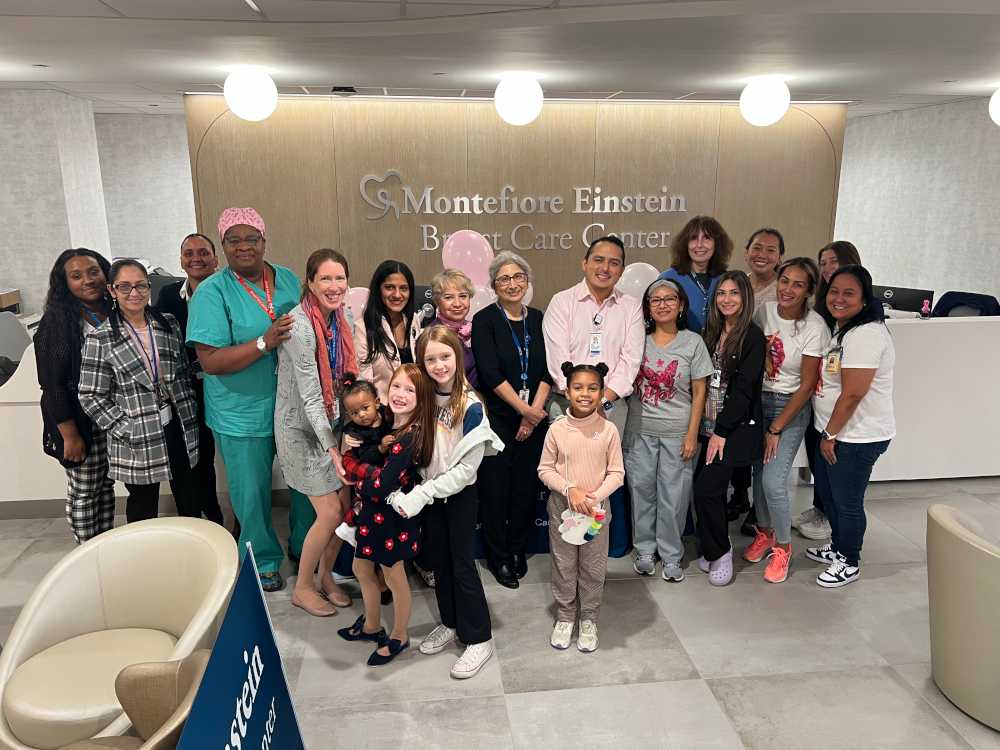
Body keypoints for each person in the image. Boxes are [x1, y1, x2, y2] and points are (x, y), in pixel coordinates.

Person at [186, 207, 314, 592]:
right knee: (252, 493)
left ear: (264, 240)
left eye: (251, 238)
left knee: (306, 487)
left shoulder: (288, 279)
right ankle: (263, 560)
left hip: (293, 406)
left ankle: (305, 547)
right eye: (233, 240)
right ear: (223, 246)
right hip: (242, 411)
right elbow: (210, 360)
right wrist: (264, 342)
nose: (243, 246)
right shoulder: (212, 292)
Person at [391, 326, 503, 680]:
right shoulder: (424, 398)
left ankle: (479, 637)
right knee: (438, 563)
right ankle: (452, 622)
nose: (439, 365)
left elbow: (466, 472)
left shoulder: (471, 407)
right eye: (430, 359)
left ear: (458, 356)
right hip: (430, 494)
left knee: (461, 563)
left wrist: (423, 494)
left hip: (456, 496)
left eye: (445, 356)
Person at [78, 259, 200, 523]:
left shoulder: (167, 324)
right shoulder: (100, 338)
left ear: (149, 288)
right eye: (125, 287)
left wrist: (188, 404)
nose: (134, 293)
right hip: (136, 430)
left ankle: (193, 553)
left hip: (176, 422)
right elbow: (90, 395)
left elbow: (181, 372)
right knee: (143, 505)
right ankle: (142, 557)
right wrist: (125, 426)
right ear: (111, 290)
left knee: (188, 494)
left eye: (141, 286)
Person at [274, 248, 358, 616]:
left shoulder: (342, 318)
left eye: (340, 278)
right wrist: (333, 450)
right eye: (325, 278)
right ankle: (303, 587)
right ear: (309, 282)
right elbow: (310, 397)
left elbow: (347, 376)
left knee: (342, 508)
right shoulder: (299, 327)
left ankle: (327, 578)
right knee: (328, 514)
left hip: (333, 424)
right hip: (301, 432)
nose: (334, 285)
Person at [337, 364, 436, 666]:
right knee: (362, 569)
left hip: (392, 518)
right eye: (397, 387)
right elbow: (354, 464)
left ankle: (399, 634)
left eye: (410, 390)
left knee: (394, 576)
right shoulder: (389, 424)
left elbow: (380, 484)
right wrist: (351, 465)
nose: (401, 395)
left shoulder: (410, 435)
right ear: (385, 391)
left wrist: (354, 474)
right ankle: (371, 625)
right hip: (371, 515)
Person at [805, 265, 894, 588]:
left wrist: (830, 434)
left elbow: (854, 392)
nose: (839, 298)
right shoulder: (845, 329)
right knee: (829, 495)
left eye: (849, 293)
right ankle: (838, 546)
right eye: (834, 291)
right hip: (836, 432)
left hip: (856, 436)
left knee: (847, 502)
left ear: (864, 297)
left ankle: (849, 559)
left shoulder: (867, 334)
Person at [743, 258, 829, 583]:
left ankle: (783, 546)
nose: (788, 289)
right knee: (759, 476)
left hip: (789, 408)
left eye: (798, 284)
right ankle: (763, 533)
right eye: (784, 281)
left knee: (773, 481)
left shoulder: (815, 326)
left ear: (809, 290)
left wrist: (776, 427)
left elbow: (807, 386)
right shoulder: (764, 311)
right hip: (758, 403)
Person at [472, 251, 551, 588]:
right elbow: (489, 374)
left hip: (535, 417)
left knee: (524, 489)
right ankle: (498, 555)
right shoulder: (484, 320)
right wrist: (524, 410)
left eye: (518, 276)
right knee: (496, 491)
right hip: (499, 420)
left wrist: (534, 415)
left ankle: (518, 549)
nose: (512, 283)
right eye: (504, 278)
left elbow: (549, 369)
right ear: (494, 286)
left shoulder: (539, 318)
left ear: (527, 280)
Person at [625, 279, 713, 582]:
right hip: (639, 431)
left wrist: (692, 434)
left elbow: (700, 392)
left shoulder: (692, 342)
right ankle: (645, 551)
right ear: (648, 307)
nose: (662, 304)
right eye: (655, 299)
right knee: (641, 493)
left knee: (674, 497)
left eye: (669, 298)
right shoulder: (636, 340)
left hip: (678, 433)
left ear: (681, 304)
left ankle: (673, 555)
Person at [539, 362, 624, 652]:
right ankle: (565, 616)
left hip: (596, 510)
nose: (584, 394)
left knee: (593, 566)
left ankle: (588, 618)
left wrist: (594, 496)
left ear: (602, 393)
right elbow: (545, 469)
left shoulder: (609, 430)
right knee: (564, 565)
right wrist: (569, 489)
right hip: (562, 509)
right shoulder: (557, 430)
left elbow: (617, 473)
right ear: (566, 391)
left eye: (592, 388)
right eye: (578, 388)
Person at [34, 249, 115, 542]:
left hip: (110, 416)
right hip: (78, 422)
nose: (88, 280)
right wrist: (70, 435)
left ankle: (103, 545)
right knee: (84, 491)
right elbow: (52, 385)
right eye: (77, 276)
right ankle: (86, 552)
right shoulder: (56, 323)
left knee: (104, 486)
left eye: (93, 272)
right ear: (64, 283)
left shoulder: (114, 311)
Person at [693, 271, 765, 586]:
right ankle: (711, 549)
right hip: (706, 424)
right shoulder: (711, 331)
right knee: (705, 491)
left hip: (731, 429)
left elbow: (745, 389)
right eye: (721, 293)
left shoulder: (752, 336)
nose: (727, 299)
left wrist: (721, 431)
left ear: (745, 297)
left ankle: (722, 552)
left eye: (734, 293)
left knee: (708, 489)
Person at [795, 240, 863, 541]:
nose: (826, 268)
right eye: (822, 262)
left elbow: (853, 385)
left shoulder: (861, 320)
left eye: (832, 261)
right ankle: (820, 508)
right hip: (818, 401)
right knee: (818, 463)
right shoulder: (823, 306)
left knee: (840, 479)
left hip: (841, 412)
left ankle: (842, 544)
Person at [154, 233, 224, 524]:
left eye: (203, 252)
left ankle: (218, 519)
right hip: (184, 392)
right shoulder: (169, 296)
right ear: (181, 260)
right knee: (188, 460)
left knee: (212, 458)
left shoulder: (227, 290)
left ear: (215, 259)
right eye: (189, 253)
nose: (196, 258)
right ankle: (192, 522)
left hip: (223, 386)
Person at [542, 235, 643, 433]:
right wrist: (581, 399)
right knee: (565, 464)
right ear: (585, 263)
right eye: (598, 260)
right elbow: (558, 358)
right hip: (566, 404)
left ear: (621, 271)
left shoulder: (631, 307)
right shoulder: (561, 302)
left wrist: (602, 401)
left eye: (614, 263)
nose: (605, 268)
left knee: (607, 464)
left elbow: (630, 360)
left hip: (610, 406)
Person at [354, 260, 424, 404]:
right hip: (382, 414)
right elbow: (364, 384)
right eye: (390, 287)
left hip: (415, 411)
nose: (397, 294)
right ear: (378, 289)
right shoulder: (362, 328)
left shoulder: (414, 320)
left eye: (403, 288)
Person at [657, 216, 733, 334]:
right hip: (680, 348)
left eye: (707, 238)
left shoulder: (726, 279)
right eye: (693, 238)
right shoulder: (668, 279)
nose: (699, 244)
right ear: (685, 244)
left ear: (717, 243)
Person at [429, 269, 478, 389]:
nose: (457, 303)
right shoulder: (432, 335)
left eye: (463, 296)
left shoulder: (477, 328)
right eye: (449, 297)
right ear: (437, 301)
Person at [745, 228, 785, 310]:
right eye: (757, 248)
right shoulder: (736, 283)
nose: (762, 255)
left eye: (770, 250)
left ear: (780, 257)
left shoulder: (784, 290)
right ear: (746, 252)